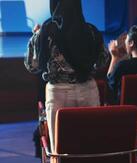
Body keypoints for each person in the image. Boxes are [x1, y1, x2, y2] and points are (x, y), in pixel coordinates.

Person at [24, 0, 109, 152]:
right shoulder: (91, 30)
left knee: (60, 149)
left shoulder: (45, 31)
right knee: (92, 145)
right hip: (88, 90)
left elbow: (32, 65)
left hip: (57, 94)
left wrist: (36, 36)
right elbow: (102, 61)